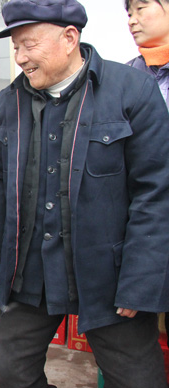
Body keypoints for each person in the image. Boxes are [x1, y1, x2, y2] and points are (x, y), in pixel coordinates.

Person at [0, 0, 169, 388]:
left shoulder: (131, 90)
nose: (20, 57)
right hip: (31, 269)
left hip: (107, 273)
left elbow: (156, 192)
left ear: (70, 37)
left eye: (29, 44)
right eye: (15, 47)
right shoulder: (10, 102)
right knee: (8, 369)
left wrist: (140, 281)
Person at [126, 0, 169, 348]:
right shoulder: (126, 77)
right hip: (146, 217)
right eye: (129, 12)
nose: (133, 20)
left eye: (141, 8)